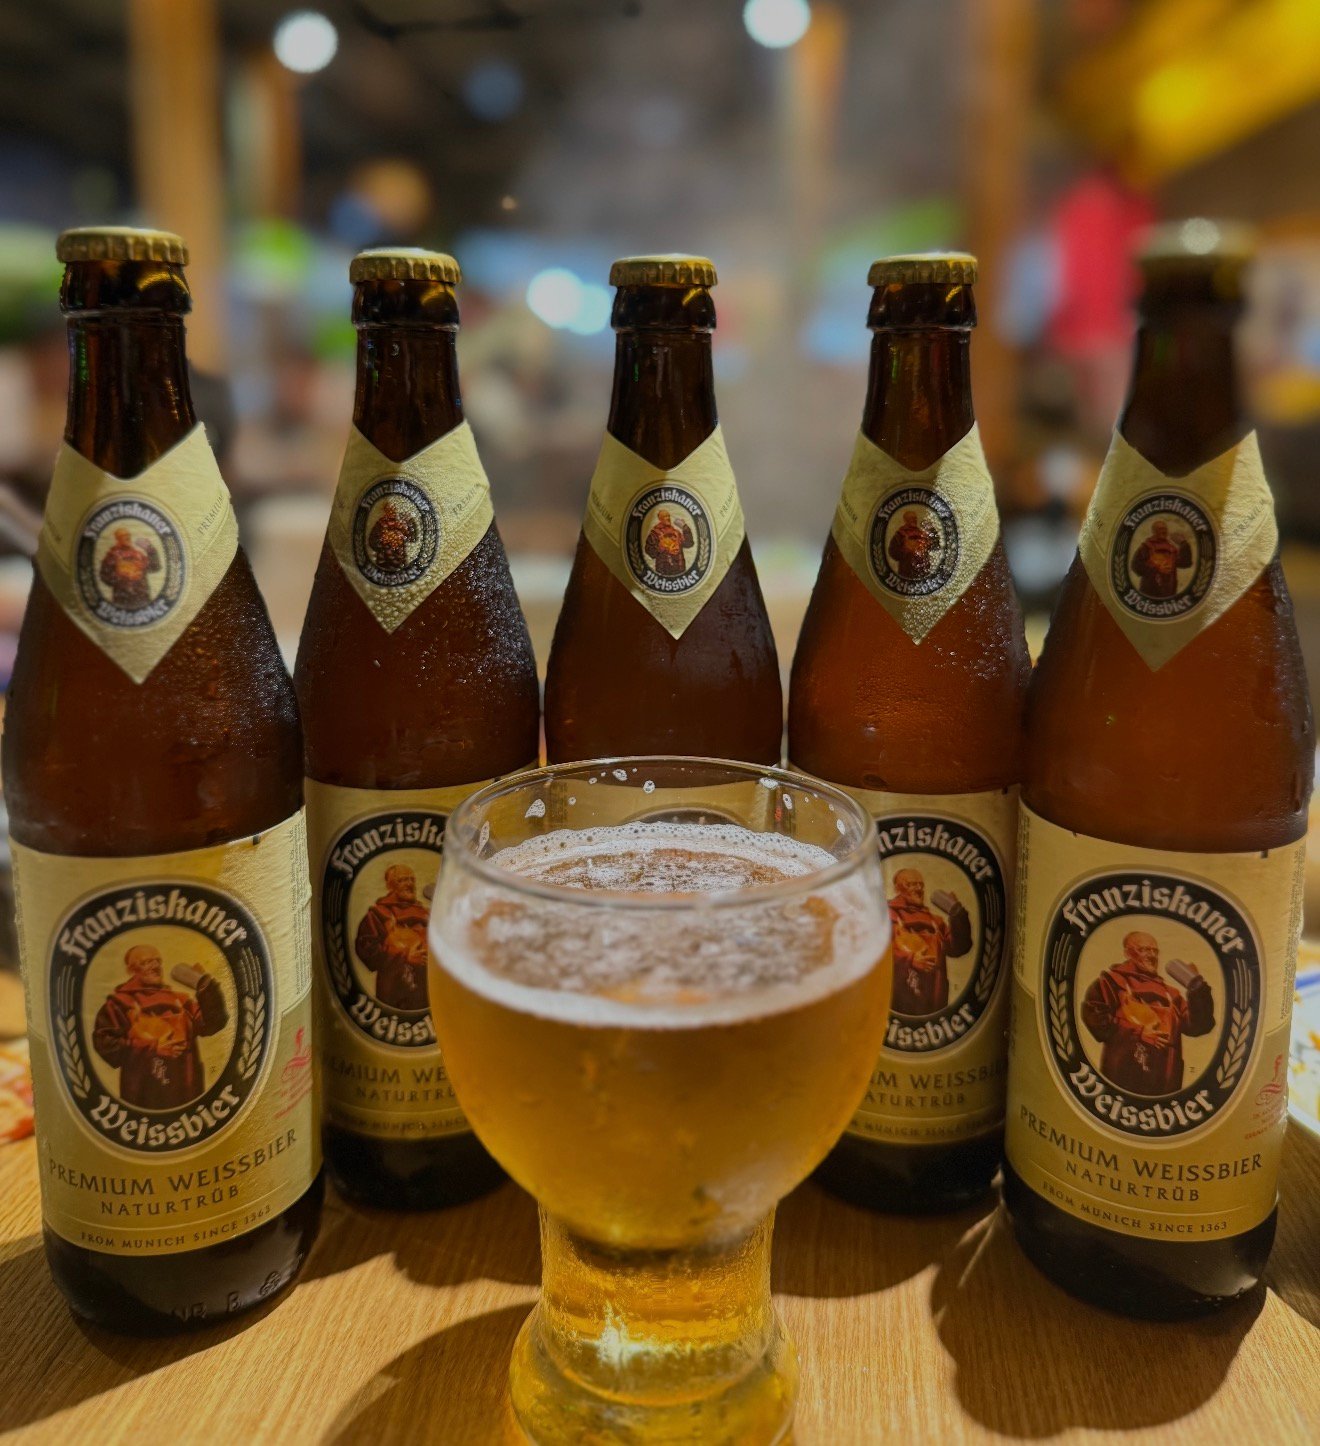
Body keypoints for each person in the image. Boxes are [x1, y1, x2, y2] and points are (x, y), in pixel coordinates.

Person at [91, 945, 228, 1109]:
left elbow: (214, 1023)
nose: (155, 966)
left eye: (158, 961)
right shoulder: (119, 1004)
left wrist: (207, 988)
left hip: (187, 1094)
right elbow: (105, 1045)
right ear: (131, 970)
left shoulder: (181, 1000)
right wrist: (153, 1048)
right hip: (142, 1100)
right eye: (146, 962)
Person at [1081, 930, 1215, 1095]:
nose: (1152, 955)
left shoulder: (1171, 993)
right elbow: (1096, 1022)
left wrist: (1198, 990)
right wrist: (1139, 1033)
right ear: (1128, 953)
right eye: (1144, 949)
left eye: (1155, 951)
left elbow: (1199, 1026)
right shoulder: (1110, 982)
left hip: (1166, 1083)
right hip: (1122, 1083)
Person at [888, 868, 972, 1015]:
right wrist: (910, 960)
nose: (918, 888)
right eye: (911, 884)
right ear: (897, 888)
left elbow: (958, 948)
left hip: (935, 999)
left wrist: (958, 915)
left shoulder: (935, 921)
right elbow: (875, 955)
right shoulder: (887, 914)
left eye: (921, 885)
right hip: (901, 999)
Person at [354, 863, 431, 1010]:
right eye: (403, 880)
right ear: (390, 886)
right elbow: (367, 953)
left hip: (427, 995)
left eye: (412, 880)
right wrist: (404, 956)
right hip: (393, 993)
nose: (409, 884)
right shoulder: (378, 914)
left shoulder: (427, 914)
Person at [99, 527, 161, 610]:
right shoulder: (112, 556)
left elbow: (154, 567)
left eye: (128, 535)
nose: (127, 537)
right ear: (118, 538)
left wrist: (150, 550)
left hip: (141, 597)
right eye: (124, 536)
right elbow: (104, 576)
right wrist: (122, 577)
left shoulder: (138, 554)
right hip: (122, 597)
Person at [1131, 518, 1192, 600]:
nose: (1163, 531)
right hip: (1150, 591)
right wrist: (1156, 568)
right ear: (1154, 531)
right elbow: (1136, 566)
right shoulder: (1146, 547)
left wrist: (1184, 544)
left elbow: (1185, 563)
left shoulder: (1171, 548)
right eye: (1160, 529)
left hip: (1169, 592)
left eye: (1165, 529)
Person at [886, 509, 941, 581]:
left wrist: (933, 531)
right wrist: (905, 550)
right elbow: (892, 552)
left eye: (915, 518)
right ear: (905, 520)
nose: (914, 520)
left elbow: (935, 547)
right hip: (907, 571)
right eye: (911, 518)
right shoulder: (899, 535)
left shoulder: (922, 534)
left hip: (923, 570)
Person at [368, 499, 417, 574]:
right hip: (383, 561)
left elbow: (412, 539)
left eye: (393, 509)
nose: (391, 511)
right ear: (385, 511)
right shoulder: (380, 524)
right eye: (389, 509)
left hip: (399, 561)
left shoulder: (401, 523)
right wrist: (383, 539)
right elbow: (372, 542)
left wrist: (410, 522)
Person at [643, 507, 694, 578]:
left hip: (680, 571)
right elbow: (649, 551)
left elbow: (689, 543)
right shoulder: (654, 534)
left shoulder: (676, 532)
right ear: (660, 519)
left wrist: (685, 528)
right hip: (664, 572)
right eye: (665, 516)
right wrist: (660, 548)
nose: (667, 518)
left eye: (668, 516)